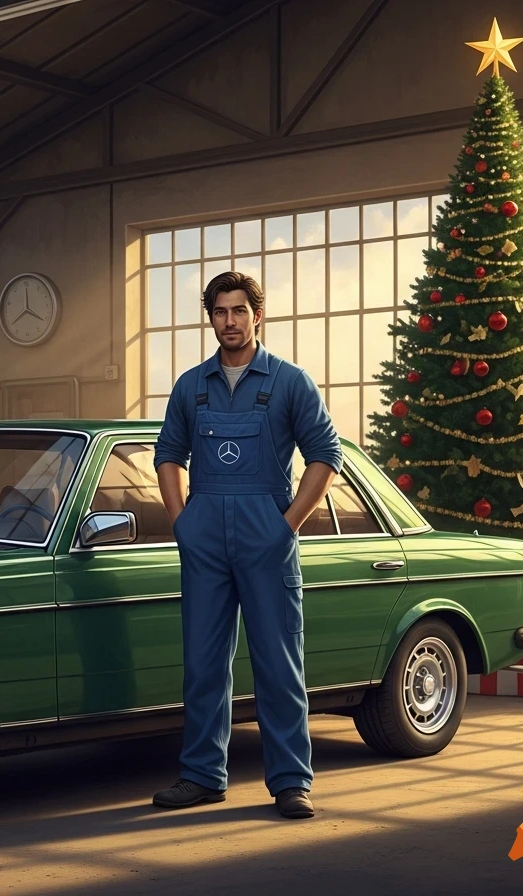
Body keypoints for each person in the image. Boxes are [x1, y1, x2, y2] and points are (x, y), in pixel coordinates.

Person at [150, 270, 342, 820]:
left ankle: (289, 782)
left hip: (267, 535)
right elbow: (168, 454)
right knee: (203, 663)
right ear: (209, 317)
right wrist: (181, 521)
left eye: (239, 311)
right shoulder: (191, 386)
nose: (229, 322)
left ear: (258, 315)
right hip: (203, 535)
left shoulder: (289, 382)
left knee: (278, 663)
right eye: (219, 312)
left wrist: (287, 524)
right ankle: (202, 775)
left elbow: (326, 454)